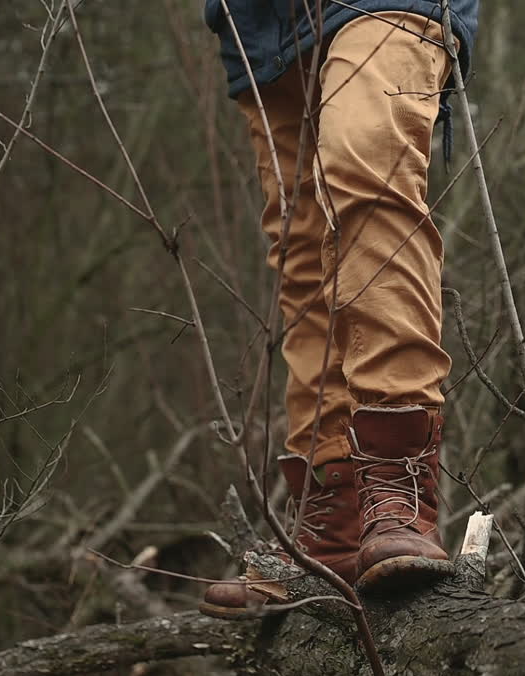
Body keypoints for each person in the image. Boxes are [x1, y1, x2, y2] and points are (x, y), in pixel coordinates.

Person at [199, 0, 480, 619]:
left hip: (381, 4)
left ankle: (397, 487)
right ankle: (333, 526)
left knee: (368, 164)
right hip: (260, 25)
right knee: (299, 245)